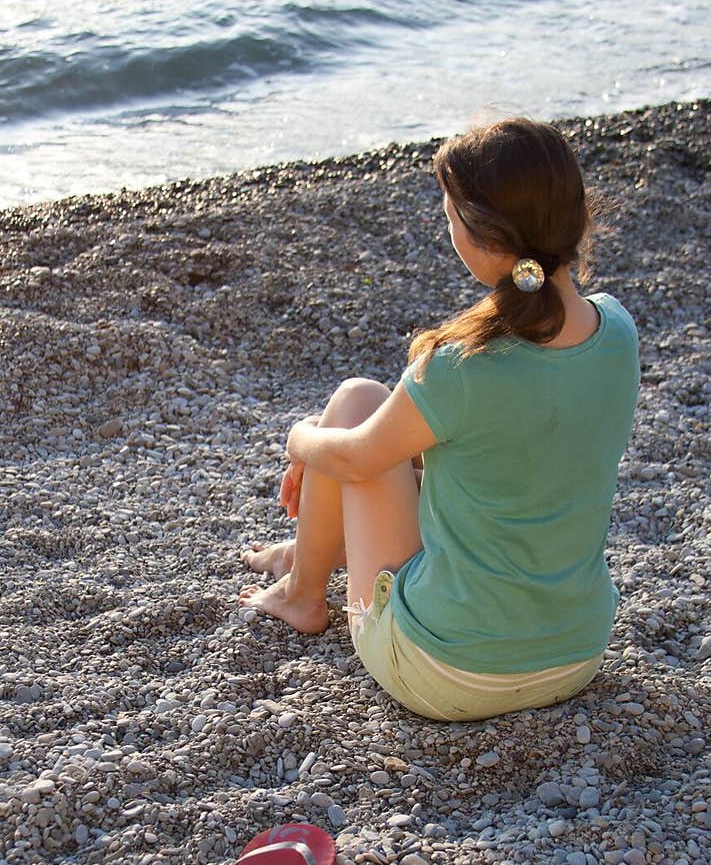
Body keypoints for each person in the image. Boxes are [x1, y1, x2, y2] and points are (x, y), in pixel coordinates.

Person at [239, 118, 640, 722]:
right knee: (387, 434)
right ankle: (303, 552)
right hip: (576, 655)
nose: (447, 226)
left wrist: (299, 439)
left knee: (353, 405)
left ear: (483, 236)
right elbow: (502, 442)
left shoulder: (462, 365)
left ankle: (302, 593)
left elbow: (354, 457)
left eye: (451, 215)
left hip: (450, 673)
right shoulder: (616, 332)